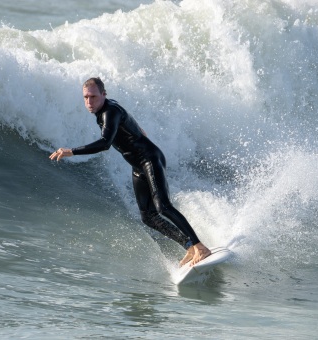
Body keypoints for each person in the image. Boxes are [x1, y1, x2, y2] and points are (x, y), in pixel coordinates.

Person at [49, 77, 211, 266]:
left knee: (163, 206)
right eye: (85, 97)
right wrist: (136, 129)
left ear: (103, 94)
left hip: (150, 159)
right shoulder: (106, 109)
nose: (89, 102)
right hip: (138, 166)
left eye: (93, 96)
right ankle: (190, 247)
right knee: (148, 216)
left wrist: (72, 151)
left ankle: (201, 247)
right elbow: (125, 117)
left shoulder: (109, 111)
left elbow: (104, 144)